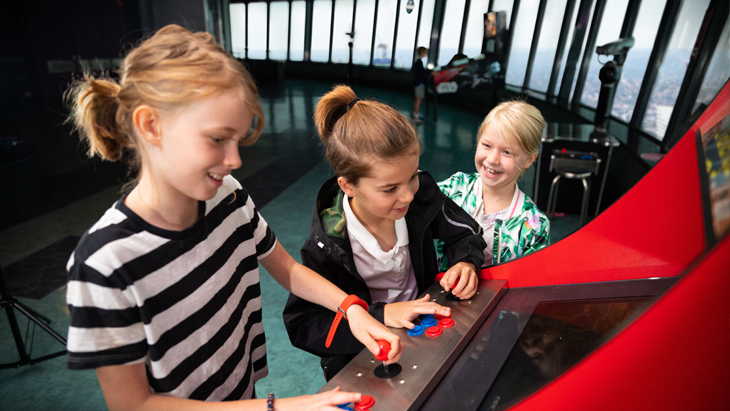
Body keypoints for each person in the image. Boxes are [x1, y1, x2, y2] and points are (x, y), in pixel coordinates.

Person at [64, 25, 402, 411]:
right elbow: (133, 405)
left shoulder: (228, 196)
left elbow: (287, 269)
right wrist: (279, 408)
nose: (235, 160)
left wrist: (351, 309)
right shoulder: (104, 263)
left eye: (237, 140)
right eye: (217, 139)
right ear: (150, 125)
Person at [283, 85, 486, 380]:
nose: (406, 196)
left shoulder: (420, 197)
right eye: (390, 189)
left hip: (429, 339)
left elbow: (465, 233)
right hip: (367, 359)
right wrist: (380, 316)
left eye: (412, 177)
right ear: (348, 186)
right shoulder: (326, 245)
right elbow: (305, 324)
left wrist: (465, 262)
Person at [437, 101, 550, 268]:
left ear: (529, 160)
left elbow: (528, 281)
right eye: (487, 145)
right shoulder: (455, 188)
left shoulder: (534, 225)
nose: (492, 159)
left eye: (507, 152)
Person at [412, 46, 429, 122]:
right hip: (420, 84)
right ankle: (416, 117)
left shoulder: (417, 62)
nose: (426, 54)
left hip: (417, 83)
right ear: (422, 53)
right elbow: (422, 73)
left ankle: (415, 115)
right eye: (425, 52)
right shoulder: (419, 62)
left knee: (417, 99)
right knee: (418, 100)